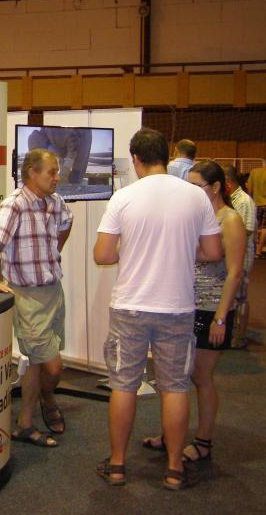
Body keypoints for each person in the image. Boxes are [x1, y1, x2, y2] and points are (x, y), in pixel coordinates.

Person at [93, 128, 221, 490]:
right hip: (177, 307)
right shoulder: (195, 197)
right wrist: (181, 250)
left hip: (130, 306)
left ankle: (117, 466)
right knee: (175, 387)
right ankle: (174, 469)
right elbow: (213, 252)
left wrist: (131, 250)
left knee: (123, 385)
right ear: (167, 156)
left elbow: (102, 255)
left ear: (136, 159)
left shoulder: (123, 197)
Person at [142, 160, 246, 466]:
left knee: (201, 377)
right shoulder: (196, 215)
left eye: (196, 185)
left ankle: (203, 441)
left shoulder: (230, 220)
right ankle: (170, 435)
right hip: (183, 304)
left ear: (215, 187)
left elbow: (235, 273)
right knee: (174, 376)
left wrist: (220, 317)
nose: (189, 191)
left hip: (211, 308)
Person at [0, 148, 73, 448]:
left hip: (53, 291)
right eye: (52, 172)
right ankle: (49, 398)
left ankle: (25, 424)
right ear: (32, 173)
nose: (57, 177)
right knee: (52, 366)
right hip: (27, 297)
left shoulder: (55, 202)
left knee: (36, 362)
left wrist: (52, 252)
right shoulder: (15, 204)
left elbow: (66, 223)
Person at [222, 165, 256, 349]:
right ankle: (233, 332)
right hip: (233, 255)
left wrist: (226, 233)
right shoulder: (232, 198)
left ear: (227, 181)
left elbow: (248, 229)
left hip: (242, 257)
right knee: (233, 296)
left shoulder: (244, 200)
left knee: (241, 297)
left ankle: (240, 336)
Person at [28, 127, 92, 185]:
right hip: (58, 141)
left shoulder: (63, 132)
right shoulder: (39, 137)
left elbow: (74, 147)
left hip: (80, 136)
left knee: (75, 175)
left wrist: (66, 168)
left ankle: (76, 180)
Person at [246, 154, 266, 258]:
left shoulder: (254, 172)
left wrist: (251, 200)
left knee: (255, 227)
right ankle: (258, 251)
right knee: (265, 228)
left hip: (256, 204)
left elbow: (249, 189)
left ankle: (252, 249)